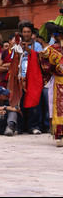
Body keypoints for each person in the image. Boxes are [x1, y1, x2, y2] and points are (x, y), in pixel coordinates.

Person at [38, 16, 63, 146]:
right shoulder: (52, 50)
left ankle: (60, 135)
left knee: (60, 108)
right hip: (59, 81)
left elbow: (47, 67)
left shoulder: (52, 50)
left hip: (59, 82)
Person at [18, 21, 43, 134]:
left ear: (31, 33)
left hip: (32, 77)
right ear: (21, 33)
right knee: (20, 102)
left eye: (28, 32)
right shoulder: (17, 45)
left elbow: (40, 59)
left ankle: (34, 126)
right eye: (24, 32)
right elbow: (13, 61)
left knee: (34, 102)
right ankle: (20, 127)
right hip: (20, 77)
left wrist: (29, 51)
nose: (26, 34)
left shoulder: (37, 45)